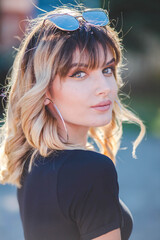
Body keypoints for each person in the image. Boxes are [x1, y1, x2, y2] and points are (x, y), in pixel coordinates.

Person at [0, 5, 146, 240]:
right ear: (44, 88)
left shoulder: (30, 158)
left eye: (107, 69)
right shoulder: (92, 170)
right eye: (79, 73)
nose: (105, 88)